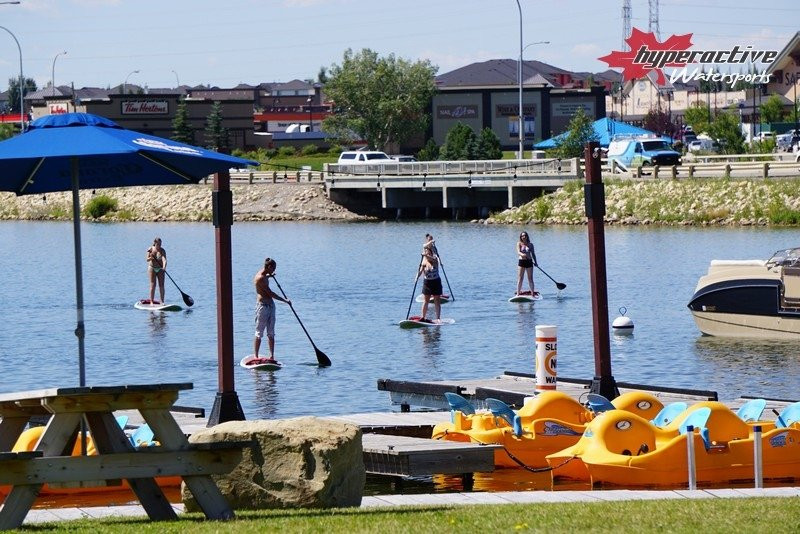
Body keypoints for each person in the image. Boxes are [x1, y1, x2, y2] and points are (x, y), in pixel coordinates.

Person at [253, 257, 290, 362]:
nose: (274, 271)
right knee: (259, 332)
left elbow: (265, 276)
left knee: (271, 333)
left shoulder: (265, 275)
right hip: (263, 306)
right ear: (269, 267)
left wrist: (270, 276)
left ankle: (272, 356)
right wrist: (285, 300)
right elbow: (271, 293)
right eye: (273, 269)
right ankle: (256, 356)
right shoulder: (260, 278)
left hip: (271, 306)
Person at [417, 234, 442, 323]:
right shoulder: (424, 258)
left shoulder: (434, 255)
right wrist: (417, 277)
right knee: (426, 300)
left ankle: (438, 318)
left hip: (436, 281)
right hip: (427, 282)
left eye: (428, 253)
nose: (427, 253)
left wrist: (426, 255)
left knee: (437, 300)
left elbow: (434, 260)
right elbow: (420, 270)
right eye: (426, 253)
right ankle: (423, 317)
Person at [516, 231, 538, 296]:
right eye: (522, 236)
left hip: (529, 262)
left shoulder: (531, 244)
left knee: (530, 278)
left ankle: (532, 293)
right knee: (520, 278)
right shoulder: (519, 243)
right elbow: (518, 252)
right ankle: (518, 294)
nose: (524, 237)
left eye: (525, 235)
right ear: (521, 237)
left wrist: (536, 262)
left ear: (527, 236)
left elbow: (533, 254)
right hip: (521, 262)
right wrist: (523, 255)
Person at [146, 237, 167, 304]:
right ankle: (151, 302)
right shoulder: (150, 249)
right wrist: (151, 258)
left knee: (161, 285)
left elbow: (164, 260)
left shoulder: (162, 250)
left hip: (160, 269)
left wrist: (164, 267)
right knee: (153, 285)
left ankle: (162, 301)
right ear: (155, 243)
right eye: (158, 244)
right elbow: (147, 259)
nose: (159, 246)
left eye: (160, 244)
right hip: (152, 268)